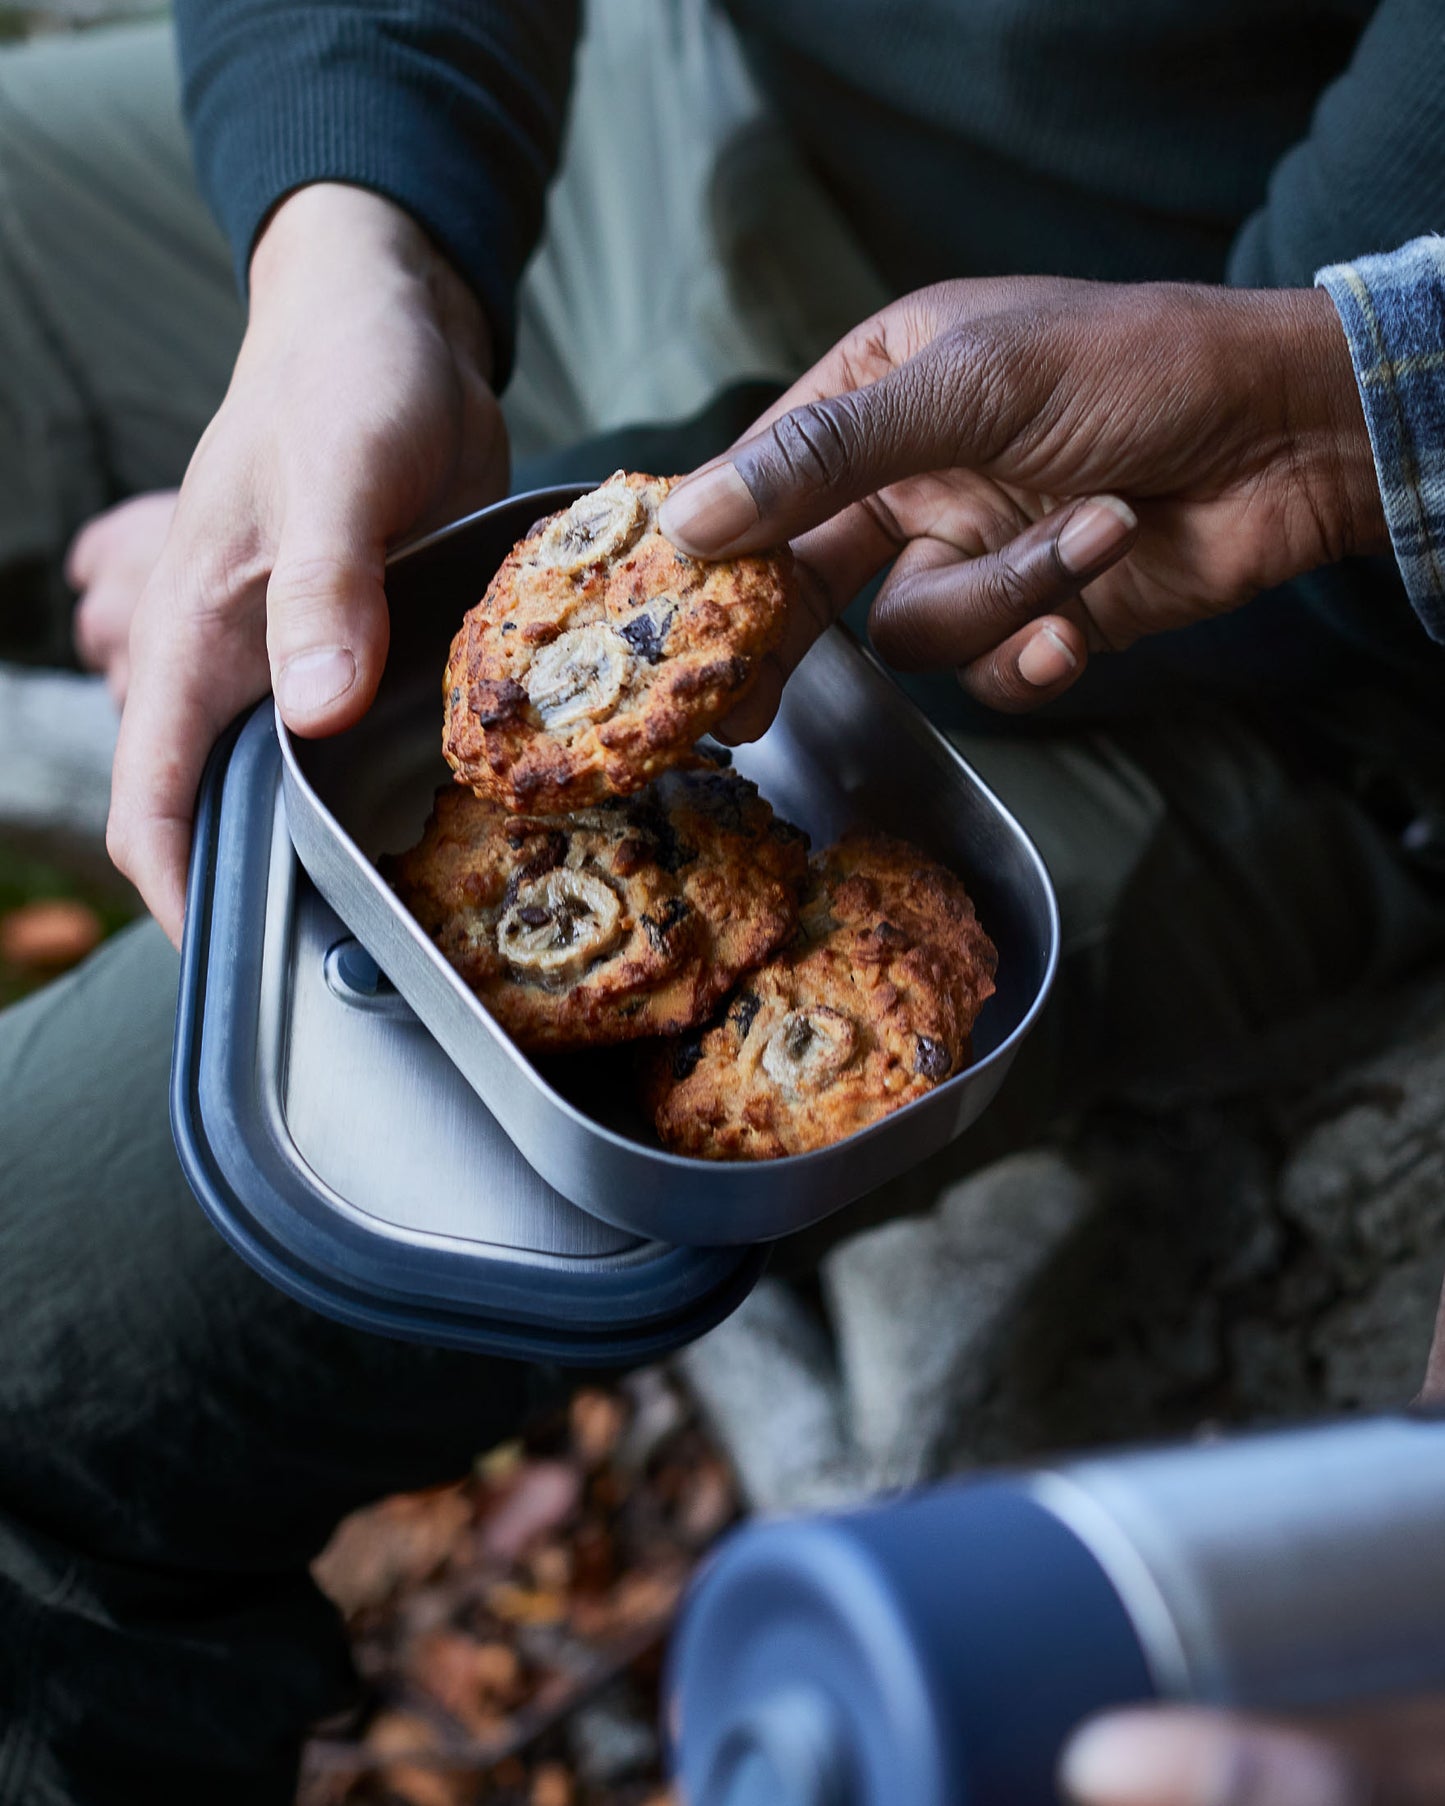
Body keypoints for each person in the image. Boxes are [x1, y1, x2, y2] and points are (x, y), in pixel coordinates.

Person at [3, 4, 1445, 1800]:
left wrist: (1341, 402)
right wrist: (351, 257)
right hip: (711, 146)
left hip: (1215, 610)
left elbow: (1298, 424)